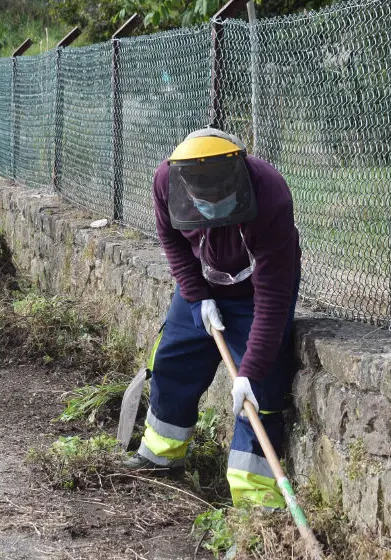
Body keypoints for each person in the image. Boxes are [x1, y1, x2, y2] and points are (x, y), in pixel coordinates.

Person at [122, 128, 302, 509]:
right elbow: (171, 240)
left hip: (256, 293)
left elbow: (273, 300)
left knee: (263, 391)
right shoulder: (166, 181)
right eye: (204, 202)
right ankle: (161, 455)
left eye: (222, 200)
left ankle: (256, 501)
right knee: (173, 359)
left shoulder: (270, 194)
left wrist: (250, 372)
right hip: (202, 283)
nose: (213, 208)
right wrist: (196, 296)